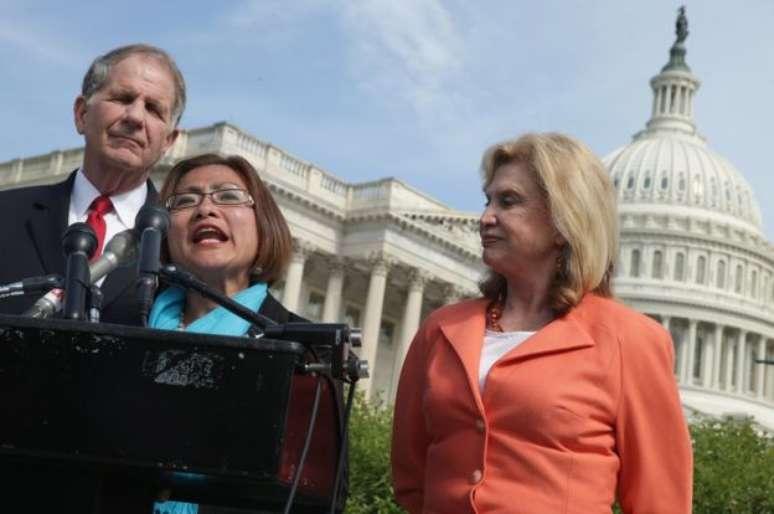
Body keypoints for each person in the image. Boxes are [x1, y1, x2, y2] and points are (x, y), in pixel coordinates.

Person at [391, 133, 693, 514]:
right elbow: (411, 474)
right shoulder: (441, 330)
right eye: (488, 200)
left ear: (564, 219)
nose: (485, 218)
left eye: (509, 201)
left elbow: (659, 500)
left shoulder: (629, 340)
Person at [150, 153, 335, 514]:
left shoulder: (307, 351)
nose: (205, 209)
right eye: (185, 201)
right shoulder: (125, 324)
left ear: (263, 224)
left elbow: (313, 498)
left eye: (228, 196)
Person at [0, 43, 185, 325]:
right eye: (123, 98)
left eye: (153, 109)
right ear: (81, 114)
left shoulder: (180, 246)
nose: (135, 117)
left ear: (168, 143)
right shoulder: (6, 212)